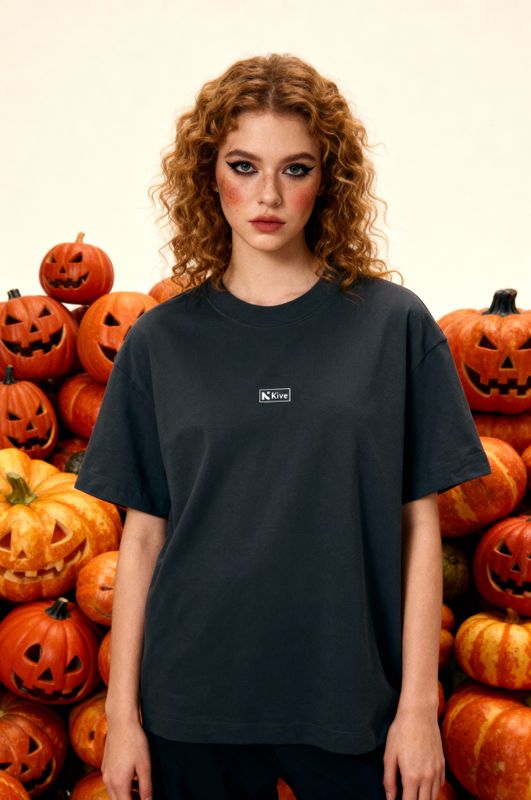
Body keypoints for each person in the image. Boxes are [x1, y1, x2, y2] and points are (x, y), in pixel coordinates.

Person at [74, 53, 491, 800]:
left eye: (294, 169)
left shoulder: (394, 326)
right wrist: (123, 716)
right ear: (209, 175)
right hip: (188, 702)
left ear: (327, 181)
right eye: (243, 165)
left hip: (351, 701)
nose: (267, 194)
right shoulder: (158, 341)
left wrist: (418, 710)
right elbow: (141, 538)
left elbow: (417, 528)